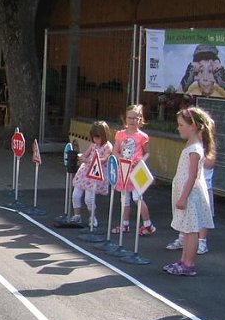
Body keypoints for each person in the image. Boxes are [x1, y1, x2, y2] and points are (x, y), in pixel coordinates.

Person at [164, 106, 215, 276]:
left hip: (190, 195)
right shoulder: (192, 145)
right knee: (186, 230)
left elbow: (192, 176)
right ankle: (184, 260)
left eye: (181, 124)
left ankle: (189, 264)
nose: (178, 128)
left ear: (192, 125)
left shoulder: (194, 149)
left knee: (191, 230)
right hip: (186, 193)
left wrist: (183, 198)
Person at [112, 104, 156, 236]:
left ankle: (148, 224)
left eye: (135, 118)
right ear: (125, 119)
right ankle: (125, 224)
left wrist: (141, 161)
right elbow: (115, 151)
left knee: (138, 197)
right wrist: (121, 159)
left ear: (140, 119)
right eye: (129, 118)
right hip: (124, 168)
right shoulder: (120, 134)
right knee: (124, 197)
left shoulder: (142, 136)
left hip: (137, 170)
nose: (132, 121)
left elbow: (147, 152)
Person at [70, 121, 113, 229]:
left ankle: (92, 217)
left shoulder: (108, 146)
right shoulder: (93, 145)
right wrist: (80, 157)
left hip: (96, 173)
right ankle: (77, 215)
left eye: (99, 138)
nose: (96, 140)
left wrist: (88, 160)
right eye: (94, 137)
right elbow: (85, 154)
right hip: (85, 172)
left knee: (89, 198)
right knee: (76, 194)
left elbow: (104, 159)